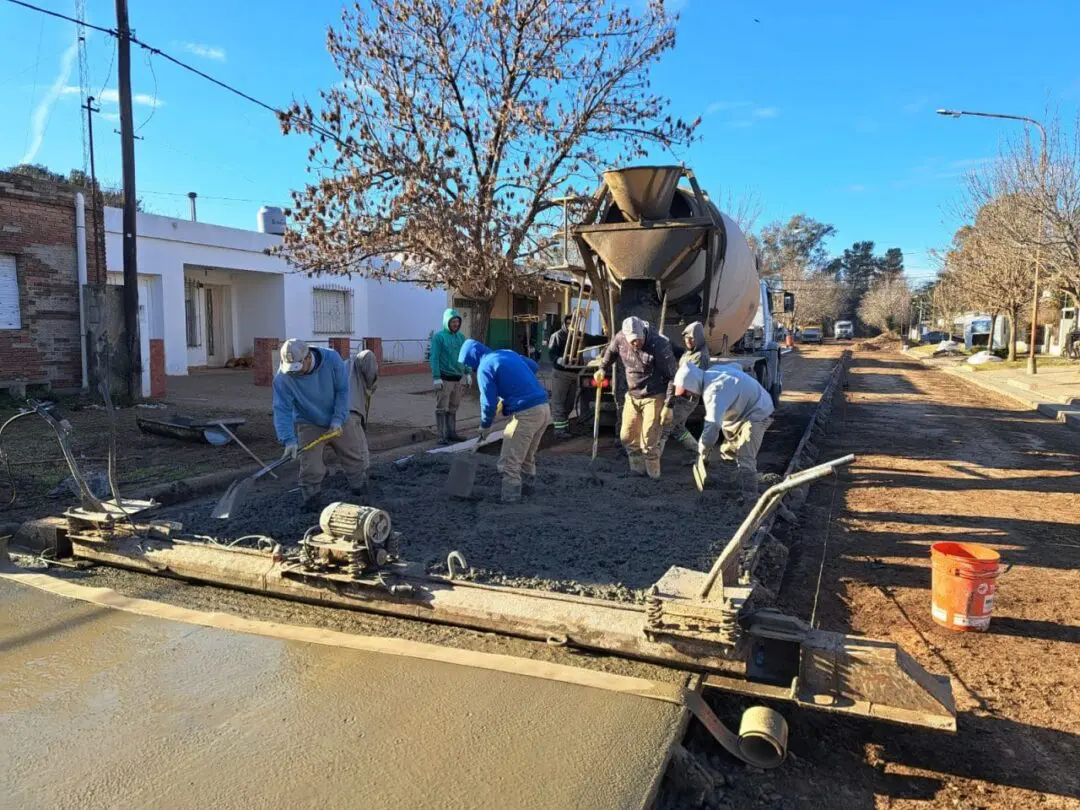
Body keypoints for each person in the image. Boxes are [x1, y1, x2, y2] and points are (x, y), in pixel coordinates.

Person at [273, 339, 368, 510]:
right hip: (309, 421)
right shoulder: (282, 378)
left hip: (338, 416)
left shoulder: (332, 359)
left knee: (353, 457)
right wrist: (288, 440)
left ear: (308, 357)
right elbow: (282, 409)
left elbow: (342, 390)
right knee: (311, 466)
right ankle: (312, 501)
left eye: (298, 367)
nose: (295, 373)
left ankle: (360, 490)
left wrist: (338, 419)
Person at [459, 338, 551, 504]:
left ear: (472, 359)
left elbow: (488, 402)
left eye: (469, 364)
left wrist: (485, 425)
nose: (471, 368)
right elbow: (534, 366)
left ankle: (511, 502)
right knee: (527, 457)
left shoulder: (484, 367)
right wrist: (515, 384)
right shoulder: (507, 353)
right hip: (544, 408)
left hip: (527, 413)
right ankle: (529, 494)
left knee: (510, 462)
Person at [593, 316, 677, 479]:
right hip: (632, 394)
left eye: (638, 340)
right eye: (631, 341)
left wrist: (669, 406)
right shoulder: (620, 338)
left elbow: (673, 376)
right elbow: (610, 352)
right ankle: (637, 471)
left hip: (654, 395)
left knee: (649, 439)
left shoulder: (658, 345)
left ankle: (653, 476)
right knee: (627, 435)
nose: (635, 344)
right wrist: (602, 368)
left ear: (643, 334)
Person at [674, 362, 774, 497]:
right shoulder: (713, 371)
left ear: (692, 384)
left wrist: (703, 450)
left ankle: (750, 496)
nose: (689, 396)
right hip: (740, 409)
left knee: (745, 455)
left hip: (757, 411)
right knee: (728, 451)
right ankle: (729, 485)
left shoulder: (713, 392)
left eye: (687, 393)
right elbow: (737, 366)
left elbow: (713, 425)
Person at [547, 313, 608, 440]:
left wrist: (609, 338)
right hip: (561, 373)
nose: (571, 325)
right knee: (559, 402)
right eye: (569, 323)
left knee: (569, 403)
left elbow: (594, 339)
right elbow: (551, 353)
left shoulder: (580, 336)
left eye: (573, 323)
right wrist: (558, 360)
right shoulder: (558, 336)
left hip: (575, 373)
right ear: (565, 323)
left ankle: (565, 427)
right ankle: (559, 431)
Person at [659, 321, 709, 455]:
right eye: (687, 338)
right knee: (678, 428)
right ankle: (696, 453)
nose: (689, 341)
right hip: (682, 395)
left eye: (692, 339)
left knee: (665, 426)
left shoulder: (700, 356)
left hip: (687, 398)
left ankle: (654, 459)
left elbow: (689, 378)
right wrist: (667, 342)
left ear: (698, 339)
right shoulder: (690, 352)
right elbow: (680, 353)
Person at [430, 307, 470, 444]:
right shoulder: (439, 337)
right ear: (447, 322)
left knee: (453, 407)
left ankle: (451, 433)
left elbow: (464, 356)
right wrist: (436, 377)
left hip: (457, 379)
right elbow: (434, 357)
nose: (455, 324)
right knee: (442, 407)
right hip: (445, 379)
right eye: (453, 322)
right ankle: (441, 436)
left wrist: (468, 373)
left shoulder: (461, 337)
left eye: (457, 322)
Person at [349, 348, 379, 430]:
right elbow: (371, 373)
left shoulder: (348, 363)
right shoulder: (368, 357)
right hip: (352, 412)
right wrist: (370, 386)